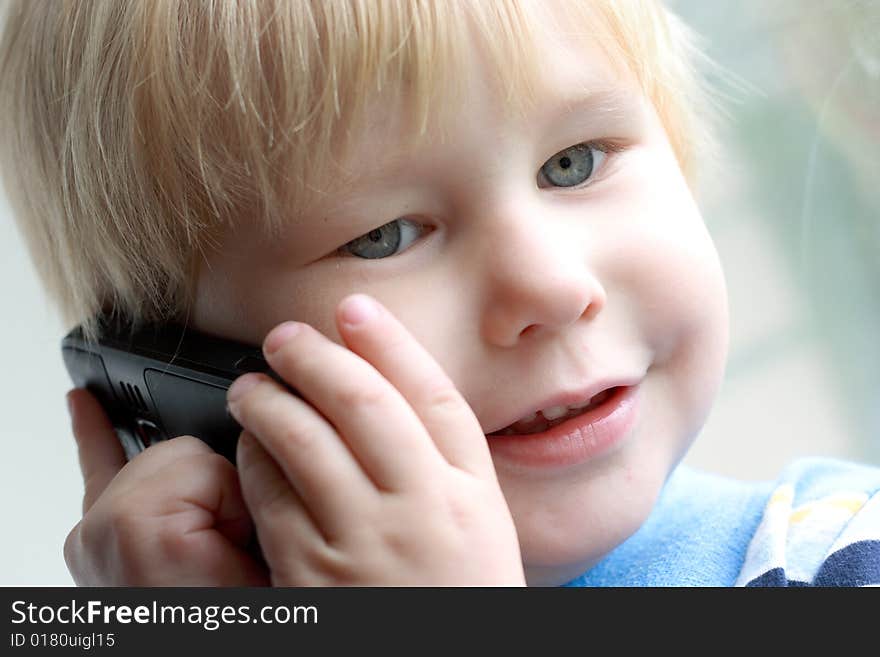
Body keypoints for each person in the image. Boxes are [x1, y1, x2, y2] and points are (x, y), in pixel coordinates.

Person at [0, 0, 877, 587]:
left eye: (572, 164)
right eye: (383, 235)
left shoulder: (840, 557)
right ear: (175, 369)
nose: (553, 287)